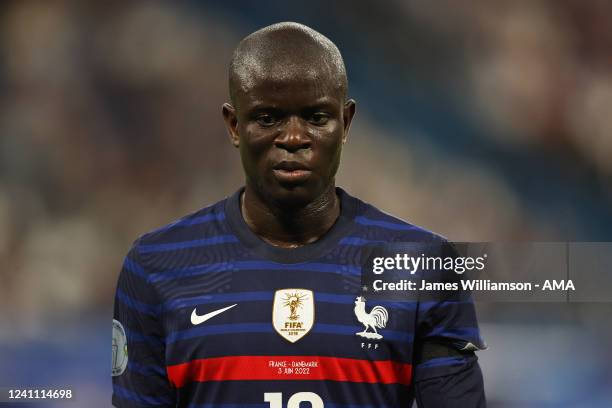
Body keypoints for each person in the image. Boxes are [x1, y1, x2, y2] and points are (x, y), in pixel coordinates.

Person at [111, 22, 486, 407]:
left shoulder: (421, 264)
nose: (293, 138)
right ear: (234, 124)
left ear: (347, 122)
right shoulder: (157, 266)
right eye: (268, 118)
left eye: (316, 117)